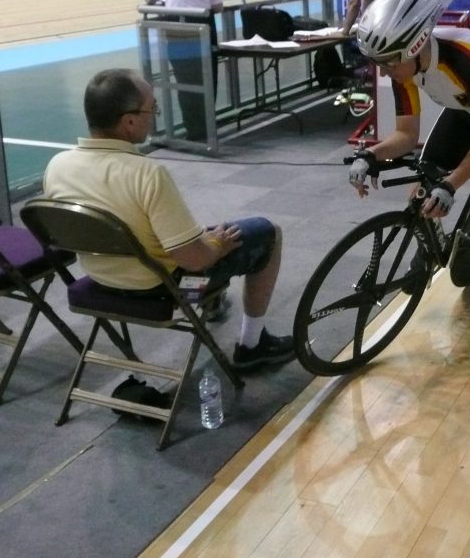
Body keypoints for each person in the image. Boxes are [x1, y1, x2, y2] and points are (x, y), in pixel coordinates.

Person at [43, 69, 294, 370]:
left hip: (101, 279)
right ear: (129, 121)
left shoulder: (57, 166)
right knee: (265, 233)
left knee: (195, 234)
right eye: (152, 109)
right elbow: (195, 260)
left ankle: (214, 302)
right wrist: (217, 245)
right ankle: (252, 346)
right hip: (164, 289)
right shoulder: (147, 174)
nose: (154, 116)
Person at [347, 0, 470, 366]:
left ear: (415, 47)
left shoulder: (465, 61)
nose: (383, 71)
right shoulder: (402, 61)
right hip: (465, 109)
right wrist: (368, 155)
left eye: (387, 63)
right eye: (377, 62)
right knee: (421, 187)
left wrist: (451, 184)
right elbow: (406, 136)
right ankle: (429, 249)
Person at [144, 0, 224, 141]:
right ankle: (207, 129)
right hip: (204, 33)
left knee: (184, 83)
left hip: (177, 34)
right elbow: (218, 6)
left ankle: (194, 131)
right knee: (207, 80)